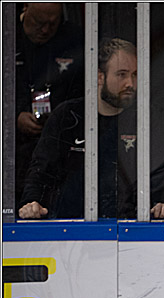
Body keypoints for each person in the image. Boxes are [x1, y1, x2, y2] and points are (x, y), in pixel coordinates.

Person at [17, 37, 164, 220]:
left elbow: (163, 176)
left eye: (135, 75)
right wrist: (31, 203)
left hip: (131, 233)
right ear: (100, 77)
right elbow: (40, 171)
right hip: (70, 232)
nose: (130, 83)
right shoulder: (68, 116)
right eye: (122, 74)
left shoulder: (146, 119)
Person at [15, 3, 83, 201]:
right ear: (25, 8)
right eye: (39, 22)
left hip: (57, 149)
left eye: (52, 24)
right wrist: (12, 117)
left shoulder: (74, 40)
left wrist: (58, 120)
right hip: (11, 152)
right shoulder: (7, 35)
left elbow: (83, 94)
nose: (45, 30)